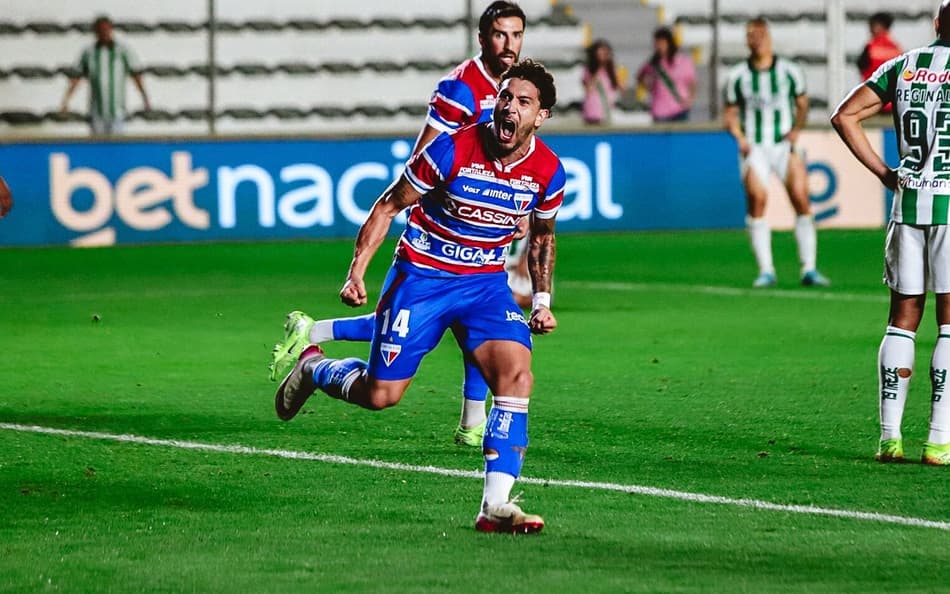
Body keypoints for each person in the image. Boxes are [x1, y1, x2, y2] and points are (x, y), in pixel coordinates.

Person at [273, 60, 564, 533]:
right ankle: (314, 367)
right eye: (504, 97)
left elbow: (543, 236)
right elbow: (389, 204)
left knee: (516, 377)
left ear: (541, 116)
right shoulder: (452, 149)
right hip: (421, 278)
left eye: (522, 102)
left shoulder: (547, 170)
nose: (508, 107)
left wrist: (543, 301)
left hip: (484, 286)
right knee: (381, 394)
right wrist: (357, 274)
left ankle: (495, 505)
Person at [269, 1, 529, 448]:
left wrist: (511, 203)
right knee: (386, 380)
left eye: (517, 35)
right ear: (483, 37)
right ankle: (314, 355)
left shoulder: (515, 90)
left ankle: (472, 420)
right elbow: (424, 159)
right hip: (436, 239)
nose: (510, 45)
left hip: (480, 234)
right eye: (501, 35)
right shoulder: (460, 88)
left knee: (482, 320)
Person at [831, 0, 950, 466]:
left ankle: (889, 438)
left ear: (937, 23)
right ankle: (939, 440)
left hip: (908, 204)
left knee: (902, 316)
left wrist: (885, 172)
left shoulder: (903, 65)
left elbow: (844, 115)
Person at [723, 17, 830, 288]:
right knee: (757, 200)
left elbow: (802, 103)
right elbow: (730, 114)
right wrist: (739, 137)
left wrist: (796, 129)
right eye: (750, 35)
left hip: (784, 145)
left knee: (800, 197)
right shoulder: (738, 76)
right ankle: (766, 270)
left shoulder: (789, 71)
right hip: (755, 147)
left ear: (768, 37)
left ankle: (809, 268)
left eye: (759, 34)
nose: (755, 39)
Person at [60, 15, 150, 135]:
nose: (104, 32)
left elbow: (136, 76)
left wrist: (145, 98)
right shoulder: (88, 53)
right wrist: (66, 101)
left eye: (106, 29)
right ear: (95, 32)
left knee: (117, 147)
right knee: (97, 148)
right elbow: (76, 78)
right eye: (101, 30)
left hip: (117, 111)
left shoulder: (123, 51)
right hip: (96, 112)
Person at [636, 27, 695, 123]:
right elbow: (640, 76)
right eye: (656, 43)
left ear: (669, 43)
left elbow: (692, 83)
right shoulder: (653, 63)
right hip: (660, 110)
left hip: (680, 108)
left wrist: (690, 99)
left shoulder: (683, 61)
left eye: (661, 43)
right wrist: (650, 88)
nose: (659, 46)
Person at [857, 12, 903, 114]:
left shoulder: (871, 46)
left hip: (873, 99)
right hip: (893, 102)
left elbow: (861, 66)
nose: (870, 29)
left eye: (872, 25)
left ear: (880, 26)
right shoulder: (896, 48)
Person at [581, 39, 624, 125]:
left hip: (607, 112)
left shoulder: (611, 70)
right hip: (593, 112)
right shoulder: (589, 70)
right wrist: (599, 68)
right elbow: (588, 88)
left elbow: (620, 89)